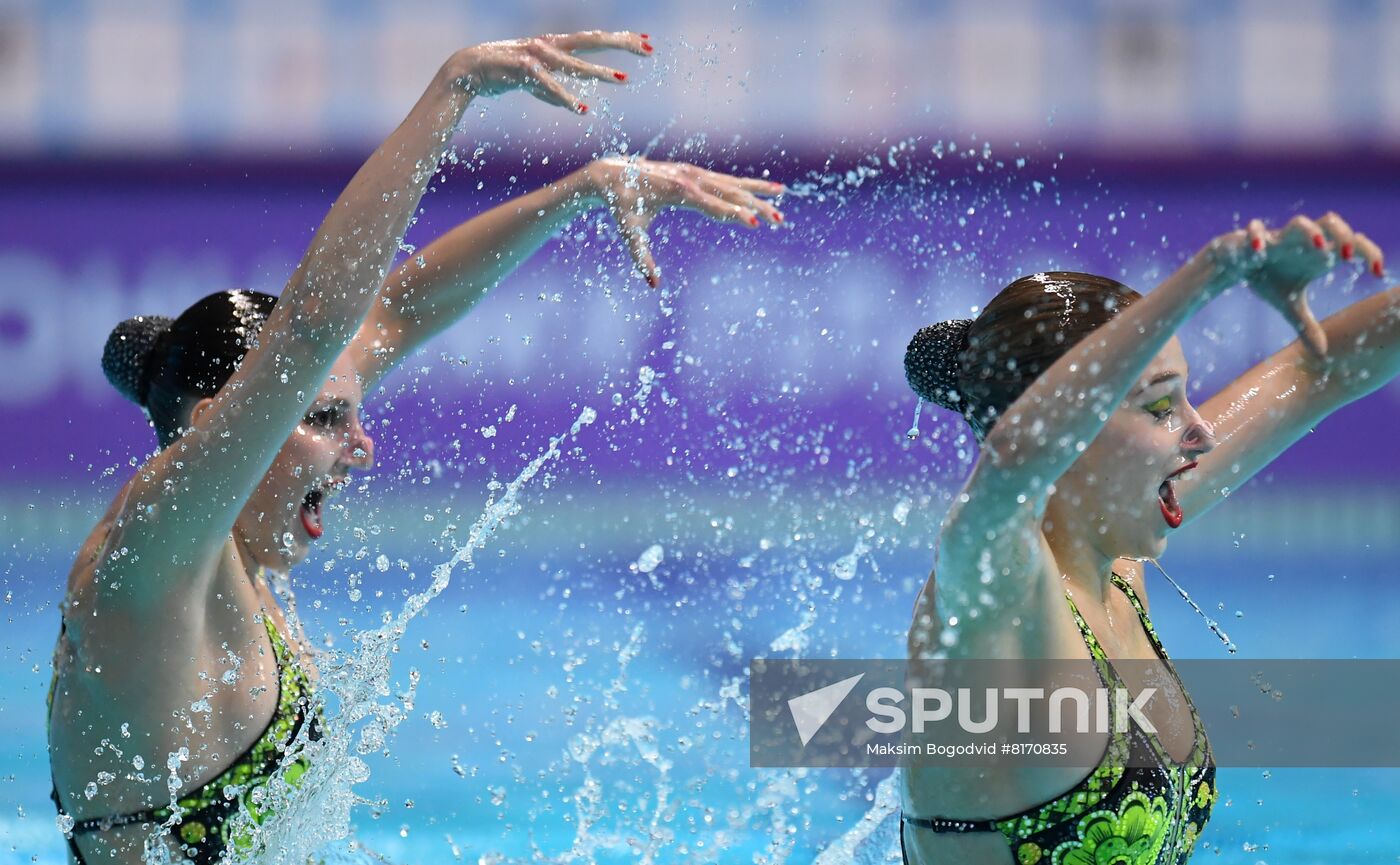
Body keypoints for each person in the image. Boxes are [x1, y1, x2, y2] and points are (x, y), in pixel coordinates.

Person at [47, 30, 784, 865]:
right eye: (322, 419)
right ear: (217, 419)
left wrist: (582, 191)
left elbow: (397, 311)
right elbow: (319, 320)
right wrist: (456, 88)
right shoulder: (150, 552)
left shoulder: (230, 556)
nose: (361, 447)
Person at [899, 214, 1391, 864]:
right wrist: (1209, 273)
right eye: (1160, 406)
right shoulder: (991, 595)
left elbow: (1318, 369)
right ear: (1069, 432)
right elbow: (1016, 453)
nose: (1200, 432)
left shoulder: (1113, 552)